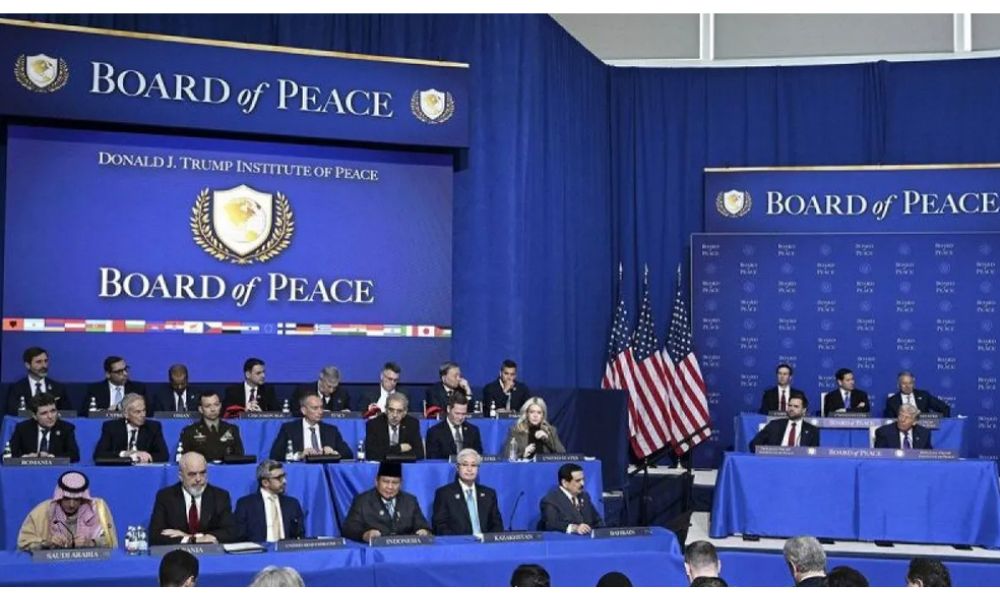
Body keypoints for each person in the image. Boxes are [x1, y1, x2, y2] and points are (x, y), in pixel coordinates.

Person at [149, 451, 240, 545]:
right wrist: (192, 539)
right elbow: (155, 536)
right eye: (192, 474)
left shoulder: (220, 496)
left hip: (211, 553)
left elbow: (231, 532)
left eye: (202, 473)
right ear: (180, 476)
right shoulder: (166, 497)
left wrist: (190, 538)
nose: (198, 479)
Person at [17, 470, 118, 550]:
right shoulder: (42, 512)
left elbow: (110, 541)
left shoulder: (97, 509)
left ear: (83, 499)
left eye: (76, 499)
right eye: (66, 499)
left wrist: (91, 543)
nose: (71, 505)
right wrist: (46, 543)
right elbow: (23, 543)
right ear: (59, 497)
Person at [342, 461, 431, 542]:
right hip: (375, 551)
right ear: (376, 481)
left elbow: (423, 525)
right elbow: (349, 529)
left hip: (405, 549)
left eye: (395, 483)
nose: (390, 487)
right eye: (385, 481)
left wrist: (424, 531)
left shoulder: (410, 501)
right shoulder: (362, 501)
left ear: (401, 484)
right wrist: (365, 535)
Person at [431, 448, 503, 535]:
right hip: (458, 542)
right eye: (465, 465)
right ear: (457, 468)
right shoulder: (444, 494)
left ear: (478, 468)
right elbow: (440, 526)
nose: (469, 469)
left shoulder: (489, 494)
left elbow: (497, 525)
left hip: (485, 542)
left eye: (473, 465)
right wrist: (461, 541)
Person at [234, 460, 305, 542]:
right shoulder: (245, 505)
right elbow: (240, 537)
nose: (284, 481)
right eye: (279, 478)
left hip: (286, 549)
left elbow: (299, 535)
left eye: (284, 476)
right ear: (265, 482)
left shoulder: (292, 504)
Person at [268, 393, 353, 460]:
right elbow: (275, 456)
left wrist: (334, 453)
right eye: (315, 408)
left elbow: (349, 454)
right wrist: (299, 455)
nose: (320, 412)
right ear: (304, 410)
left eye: (321, 407)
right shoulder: (289, 429)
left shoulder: (331, 430)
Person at [93, 393, 169, 463]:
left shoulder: (153, 427)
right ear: (126, 414)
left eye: (144, 410)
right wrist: (125, 454)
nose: (143, 415)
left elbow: (164, 455)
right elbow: (99, 455)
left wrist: (147, 456)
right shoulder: (111, 427)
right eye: (138, 412)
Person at [8, 392, 80, 462]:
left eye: (53, 411)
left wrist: (53, 458)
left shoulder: (66, 428)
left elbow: (74, 455)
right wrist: (25, 457)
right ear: (34, 416)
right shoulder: (22, 428)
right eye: (44, 413)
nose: (50, 416)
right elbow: (8, 454)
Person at [179, 390, 246, 461]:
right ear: (200, 409)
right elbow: (183, 460)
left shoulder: (232, 429)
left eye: (216, 405)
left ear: (220, 406)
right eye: (208, 406)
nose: (213, 409)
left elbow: (240, 458)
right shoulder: (189, 431)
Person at [539, 463, 603, 534]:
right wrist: (574, 528)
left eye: (583, 479)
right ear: (565, 483)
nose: (582, 483)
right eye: (578, 480)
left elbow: (597, 521)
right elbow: (551, 525)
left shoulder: (585, 496)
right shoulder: (550, 500)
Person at [5, 346, 70, 415]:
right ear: (27, 365)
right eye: (39, 362)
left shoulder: (58, 388)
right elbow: (12, 414)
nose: (44, 366)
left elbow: (68, 414)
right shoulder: (17, 389)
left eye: (46, 361)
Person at [364, 392, 424, 461]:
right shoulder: (374, 424)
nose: (395, 415)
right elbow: (371, 454)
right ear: (386, 410)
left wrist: (388, 452)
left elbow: (419, 454)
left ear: (405, 412)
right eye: (391, 410)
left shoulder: (412, 424)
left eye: (399, 411)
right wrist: (399, 448)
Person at [502, 397, 566, 459]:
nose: (535, 416)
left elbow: (562, 454)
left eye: (539, 412)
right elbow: (507, 456)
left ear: (543, 415)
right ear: (527, 414)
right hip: (524, 466)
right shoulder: (516, 431)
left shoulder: (550, 430)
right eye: (532, 412)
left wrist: (547, 439)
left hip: (545, 466)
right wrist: (522, 454)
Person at [749, 396, 820, 452]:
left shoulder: (812, 430)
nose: (791, 409)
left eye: (796, 406)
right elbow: (753, 445)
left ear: (804, 410)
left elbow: (814, 454)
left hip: (800, 463)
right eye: (790, 405)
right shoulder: (774, 425)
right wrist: (768, 452)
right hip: (776, 461)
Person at [884, 371, 950, 418]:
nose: (907, 386)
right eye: (904, 383)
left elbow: (945, 408)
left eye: (910, 383)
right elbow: (889, 421)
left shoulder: (924, 395)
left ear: (914, 384)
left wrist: (944, 425)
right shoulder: (892, 401)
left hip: (923, 429)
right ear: (898, 385)